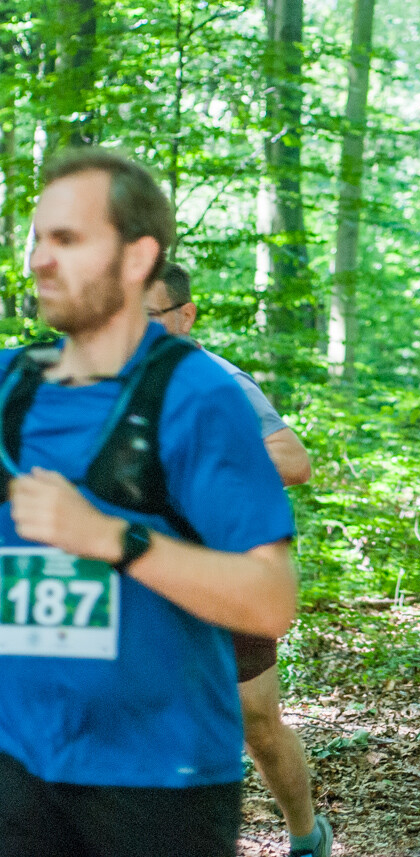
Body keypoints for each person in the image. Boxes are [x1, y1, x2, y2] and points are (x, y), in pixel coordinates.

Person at [0, 148, 297, 856]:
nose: (41, 259)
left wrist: (114, 538)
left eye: (69, 240)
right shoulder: (12, 386)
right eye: (39, 238)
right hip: (18, 765)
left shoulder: (198, 398)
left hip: (158, 778)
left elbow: (269, 600)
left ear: (138, 258)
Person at [146, 263, 330, 857]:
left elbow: (295, 462)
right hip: (144, 580)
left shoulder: (220, 382)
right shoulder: (101, 385)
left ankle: (306, 835)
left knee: (257, 720)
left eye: (147, 317)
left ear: (185, 315)